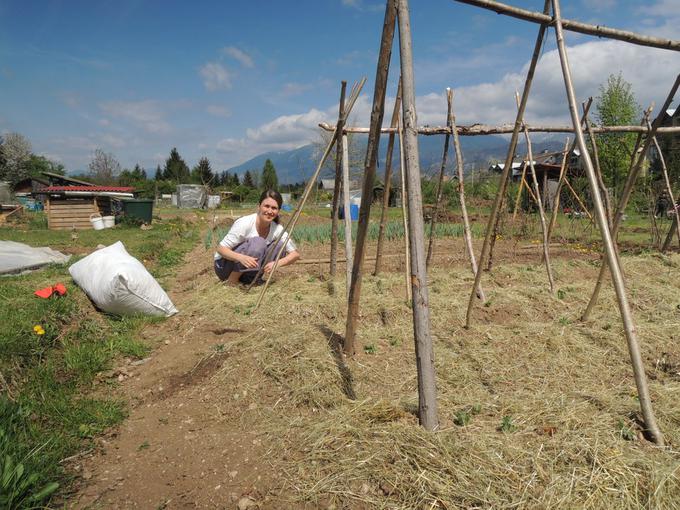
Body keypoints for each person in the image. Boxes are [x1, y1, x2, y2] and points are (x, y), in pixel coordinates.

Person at [214, 190, 299, 284]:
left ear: (278, 211)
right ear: (259, 206)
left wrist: (277, 263)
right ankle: (232, 281)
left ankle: (251, 279)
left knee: (279, 246)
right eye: (266, 206)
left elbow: (295, 254)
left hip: (248, 270)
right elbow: (220, 249)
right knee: (259, 243)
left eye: (274, 208)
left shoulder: (277, 229)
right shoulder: (245, 223)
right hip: (225, 267)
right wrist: (240, 258)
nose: (270, 211)